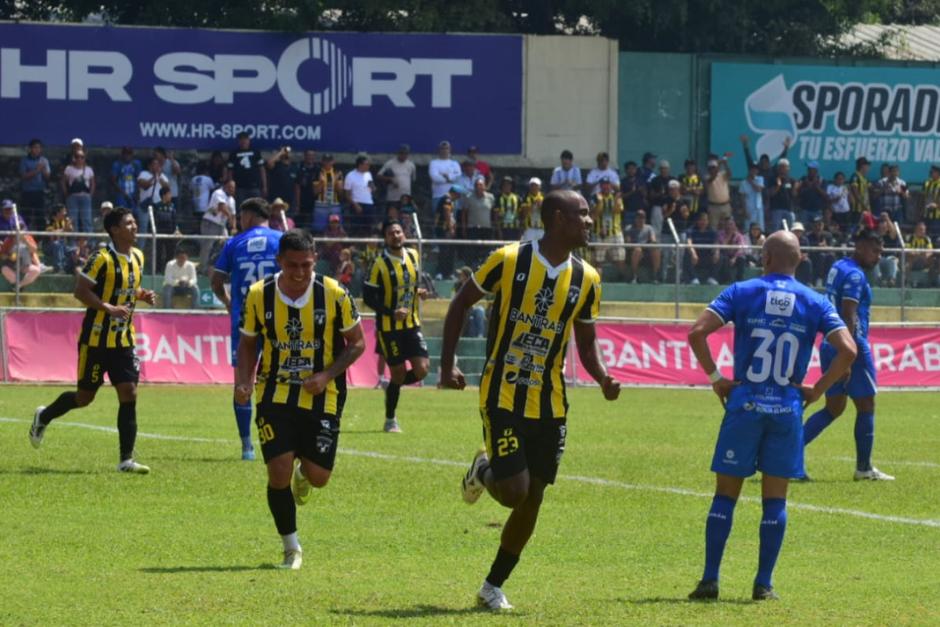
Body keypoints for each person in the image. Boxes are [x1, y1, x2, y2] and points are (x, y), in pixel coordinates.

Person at [441, 190, 621, 611]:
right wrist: (448, 365)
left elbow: (587, 345)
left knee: (534, 495)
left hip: (551, 403)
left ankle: (492, 586)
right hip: (502, 393)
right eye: (583, 215)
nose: (590, 222)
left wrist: (602, 377)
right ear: (558, 219)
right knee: (512, 493)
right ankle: (482, 468)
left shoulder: (588, 279)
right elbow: (461, 303)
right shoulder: (508, 259)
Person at [686, 230, 855, 602]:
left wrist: (717, 379)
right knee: (775, 500)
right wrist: (816, 390)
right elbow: (848, 350)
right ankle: (763, 585)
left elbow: (697, 333)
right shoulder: (815, 301)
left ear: (764, 258)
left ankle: (710, 580)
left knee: (725, 495)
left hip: (745, 401)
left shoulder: (741, 291)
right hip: (787, 406)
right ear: (799, 261)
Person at [234, 229, 365, 570]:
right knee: (278, 471)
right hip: (274, 390)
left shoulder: (333, 294)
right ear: (279, 261)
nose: (299, 272)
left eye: (306, 265)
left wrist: (326, 375)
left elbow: (358, 343)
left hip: (323, 394)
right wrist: (243, 381)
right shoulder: (258, 295)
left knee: (319, 476)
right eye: (292, 265)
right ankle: (291, 548)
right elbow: (248, 342)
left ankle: (305, 475)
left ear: (314, 261)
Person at [29, 208, 158, 473]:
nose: (135, 226)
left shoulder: (138, 257)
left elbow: (127, 287)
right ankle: (44, 415)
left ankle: (126, 460)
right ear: (114, 230)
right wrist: (108, 308)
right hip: (96, 340)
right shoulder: (101, 258)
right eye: (128, 223)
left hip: (123, 339)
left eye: (134, 222)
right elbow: (80, 291)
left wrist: (141, 294)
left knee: (129, 393)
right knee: (85, 397)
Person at [802, 229, 895, 481]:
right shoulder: (855, 274)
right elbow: (849, 313)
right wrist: (849, 353)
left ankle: (788, 455)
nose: (878, 257)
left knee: (834, 407)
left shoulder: (839, 266)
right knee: (866, 404)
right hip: (851, 344)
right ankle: (864, 468)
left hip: (829, 342)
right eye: (875, 251)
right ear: (860, 247)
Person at [211, 198, 283, 460]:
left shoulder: (234, 243)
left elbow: (216, 280)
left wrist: (230, 303)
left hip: (244, 322)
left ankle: (247, 446)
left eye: (241, 217)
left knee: (243, 382)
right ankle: (279, 438)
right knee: (281, 379)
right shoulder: (281, 240)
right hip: (277, 319)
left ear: (249, 216)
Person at [362, 220, 430, 433]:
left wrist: (419, 291)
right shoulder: (379, 264)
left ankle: (393, 386)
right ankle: (390, 419)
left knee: (422, 370)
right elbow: (368, 297)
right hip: (389, 329)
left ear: (404, 235)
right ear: (386, 238)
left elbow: (411, 283)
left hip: (412, 325)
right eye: (391, 233)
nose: (396, 235)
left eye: (399, 232)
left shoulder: (413, 255)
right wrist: (391, 312)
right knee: (399, 372)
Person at [200, 180, 235, 273]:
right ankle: (202, 268)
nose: (232, 190)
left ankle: (221, 268)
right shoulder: (218, 193)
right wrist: (230, 218)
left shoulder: (232, 200)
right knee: (208, 246)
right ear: (226, 187)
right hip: (210, 222)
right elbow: (222, 207)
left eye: (234, 188)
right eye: (230, 187)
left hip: (221, 225)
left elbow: (233, 214)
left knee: (226, 244)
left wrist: (234, 226)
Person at [227, 131, 267, 208]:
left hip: (255, 186)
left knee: (257, 209)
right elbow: (230, 171)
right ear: (238, 141)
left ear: (249, 140)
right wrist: (231, 188)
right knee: (241, 209)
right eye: (241, 139)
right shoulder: (234, 153)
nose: (243, 141)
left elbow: (262, 169)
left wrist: (264, 186)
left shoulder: (255, 152)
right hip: (239, 187)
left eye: (245, 139)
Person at [62, 150, 95, 233]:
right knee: (72, 219)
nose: (79, 159)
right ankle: (72, 242)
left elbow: (93, 183)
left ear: (84, 158)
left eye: (82, 157)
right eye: (77, 157)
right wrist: (66, 194)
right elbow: (63, 182)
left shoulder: (89, 169)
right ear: (74, 158)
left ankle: (89, 242)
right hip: (72, 197)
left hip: (85, 196)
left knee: (86, 219)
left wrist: (90, 195)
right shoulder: (69, 169)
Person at [19, 138, 51, 227]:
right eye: (35, 147)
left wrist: (43, 169)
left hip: (40, 192)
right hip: (27, 192)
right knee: (26, 216)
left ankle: (41, 239)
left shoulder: (44, 160)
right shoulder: (24, 160)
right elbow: (23, 176)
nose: (37, 149)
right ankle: (25, 237)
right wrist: (37, 170)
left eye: (39, 148)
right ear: (30, 148)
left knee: (40, 216)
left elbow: (48, 176)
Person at [344, 155, 376, 236]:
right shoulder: (350, 175)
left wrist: (373, 187)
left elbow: (371, 188)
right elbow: (347, 194)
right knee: (355, 228)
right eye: (367, 164)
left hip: (369, 204)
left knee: (369, 229)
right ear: (360, 165)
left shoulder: (369, 174)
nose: (369, 166)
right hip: (357, 205)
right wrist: (355, 205)